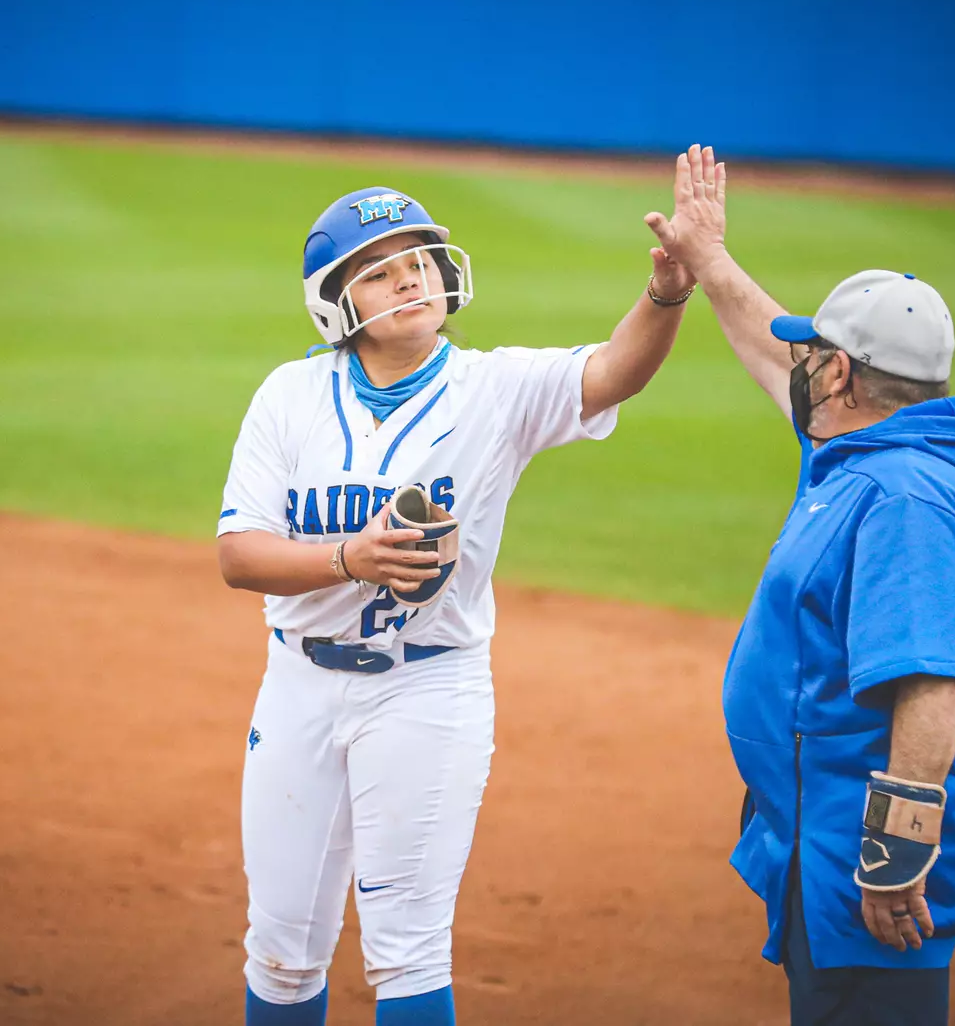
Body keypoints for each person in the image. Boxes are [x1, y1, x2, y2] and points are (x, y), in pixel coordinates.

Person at [215, 178, 697, 1025]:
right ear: (336, 305)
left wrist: (666, 291)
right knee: (282, 949)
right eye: (377, 271)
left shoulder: (495, 389)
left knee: (407, 951)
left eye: (419, 260)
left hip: (426, 688)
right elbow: (238, 555)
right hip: (298, 687)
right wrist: (350, 558)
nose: (408, 277)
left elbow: (613, 371)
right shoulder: (288, 396)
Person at [645, 146, 955, 1026]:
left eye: (815, 355)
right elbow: (775, 358)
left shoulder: (905, 501)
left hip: (868, 870)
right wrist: (710, 262)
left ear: (843, 374)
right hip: (821, 837)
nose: (801, 365)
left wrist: (896, 854)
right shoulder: (868, 449)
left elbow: (933, 683)